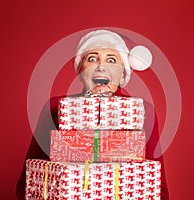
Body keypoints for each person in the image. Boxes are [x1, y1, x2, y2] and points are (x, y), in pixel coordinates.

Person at [16, 30, 169, 199]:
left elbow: (158, 187)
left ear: (123, 73)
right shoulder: (56, 107)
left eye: (111, 60)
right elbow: (27, 182)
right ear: (80, 71)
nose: (101, 66)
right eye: (92, 58)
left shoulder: (143, 111)